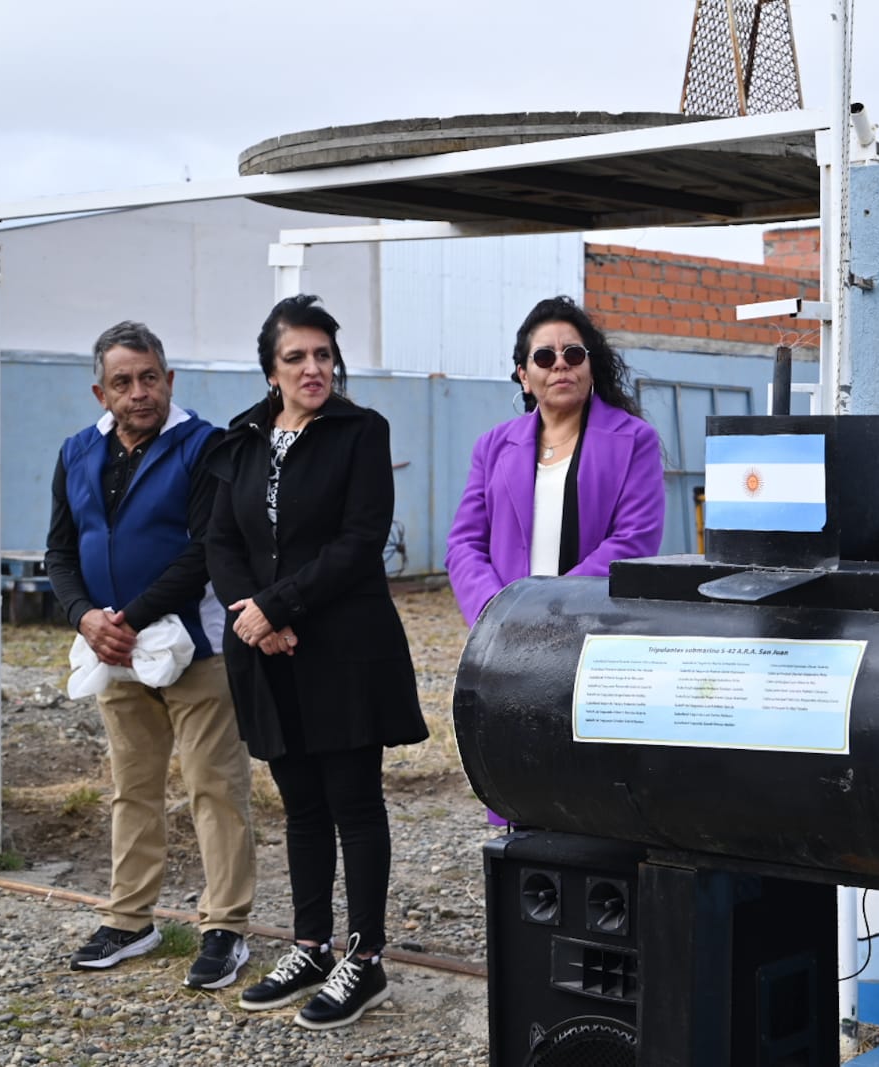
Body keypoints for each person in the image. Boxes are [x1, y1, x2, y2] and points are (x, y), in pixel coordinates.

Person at [205, 294, 427, 1031]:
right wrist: (252, 614)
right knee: (301, 805)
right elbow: (219, 543)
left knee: (353, 803)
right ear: (271, 367)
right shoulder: (241, 440)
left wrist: (281, 606)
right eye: (297, 355)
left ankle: (363, 960)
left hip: (343, 647)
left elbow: (360, 540)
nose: (313, 367)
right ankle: (309, 944)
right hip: (267, 650)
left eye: (323, 354)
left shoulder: (361, 433)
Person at [46, 320, 256, 990]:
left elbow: (203, 551)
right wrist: (84, 618)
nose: (139, 392)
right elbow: (59, 549)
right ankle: (131, 918)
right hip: (115, 655)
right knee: (130, 789)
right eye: (122, 382)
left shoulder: (206, 446)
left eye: (149, 377)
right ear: (99, 391)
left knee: (215, 787)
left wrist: (124, 619)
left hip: (195, 649)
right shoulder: (77, 452)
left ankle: (225, 926)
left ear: (169, 378)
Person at [445, 295, 665, 628]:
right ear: (524, 375)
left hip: (594, 624)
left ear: (590, 367)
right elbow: (464, 543)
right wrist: (495, 610)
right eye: (545, 357)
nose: (560, 364)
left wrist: (552, 605)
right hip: (506, 630)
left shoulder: (635, 440)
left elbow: (635, 539)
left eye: (574, 354)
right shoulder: (491, 446)